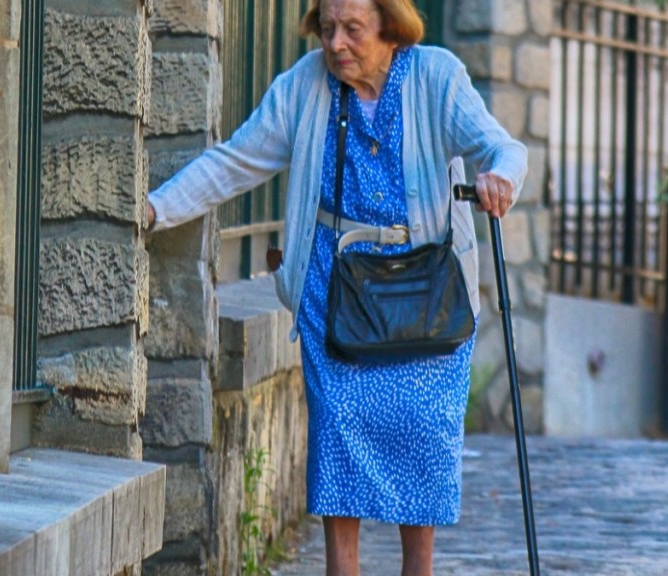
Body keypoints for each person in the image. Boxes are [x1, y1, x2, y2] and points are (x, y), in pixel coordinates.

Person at [146, 0, 527, 573]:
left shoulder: (436, 77)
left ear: (391, 27)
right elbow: (235, 162)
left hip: (426, 297)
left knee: (421, 443)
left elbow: (504, 148)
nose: (336, 44)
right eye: (327, 28)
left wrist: (500, 176)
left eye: (353, 29)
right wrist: (155, 207)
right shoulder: (306, 85)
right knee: (339, 460)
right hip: (336, 293)